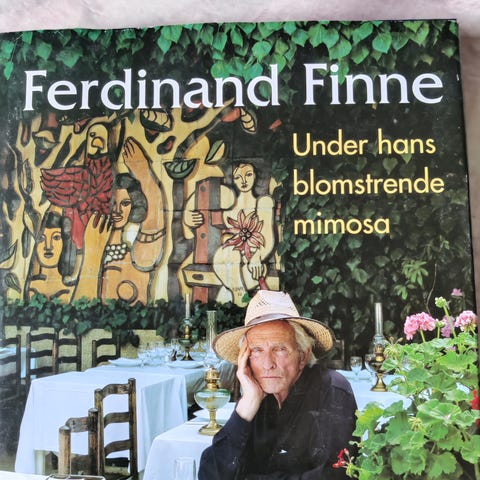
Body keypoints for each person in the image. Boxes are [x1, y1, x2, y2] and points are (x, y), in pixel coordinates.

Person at [199, 290, 357, 479]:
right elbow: (210, 474)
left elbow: (335, 475)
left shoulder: (331, 389)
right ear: (246, 359)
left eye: (280, 349)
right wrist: (246, 406)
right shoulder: (255, 395)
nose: (268, 364)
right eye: (257, 350)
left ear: (303, 355)